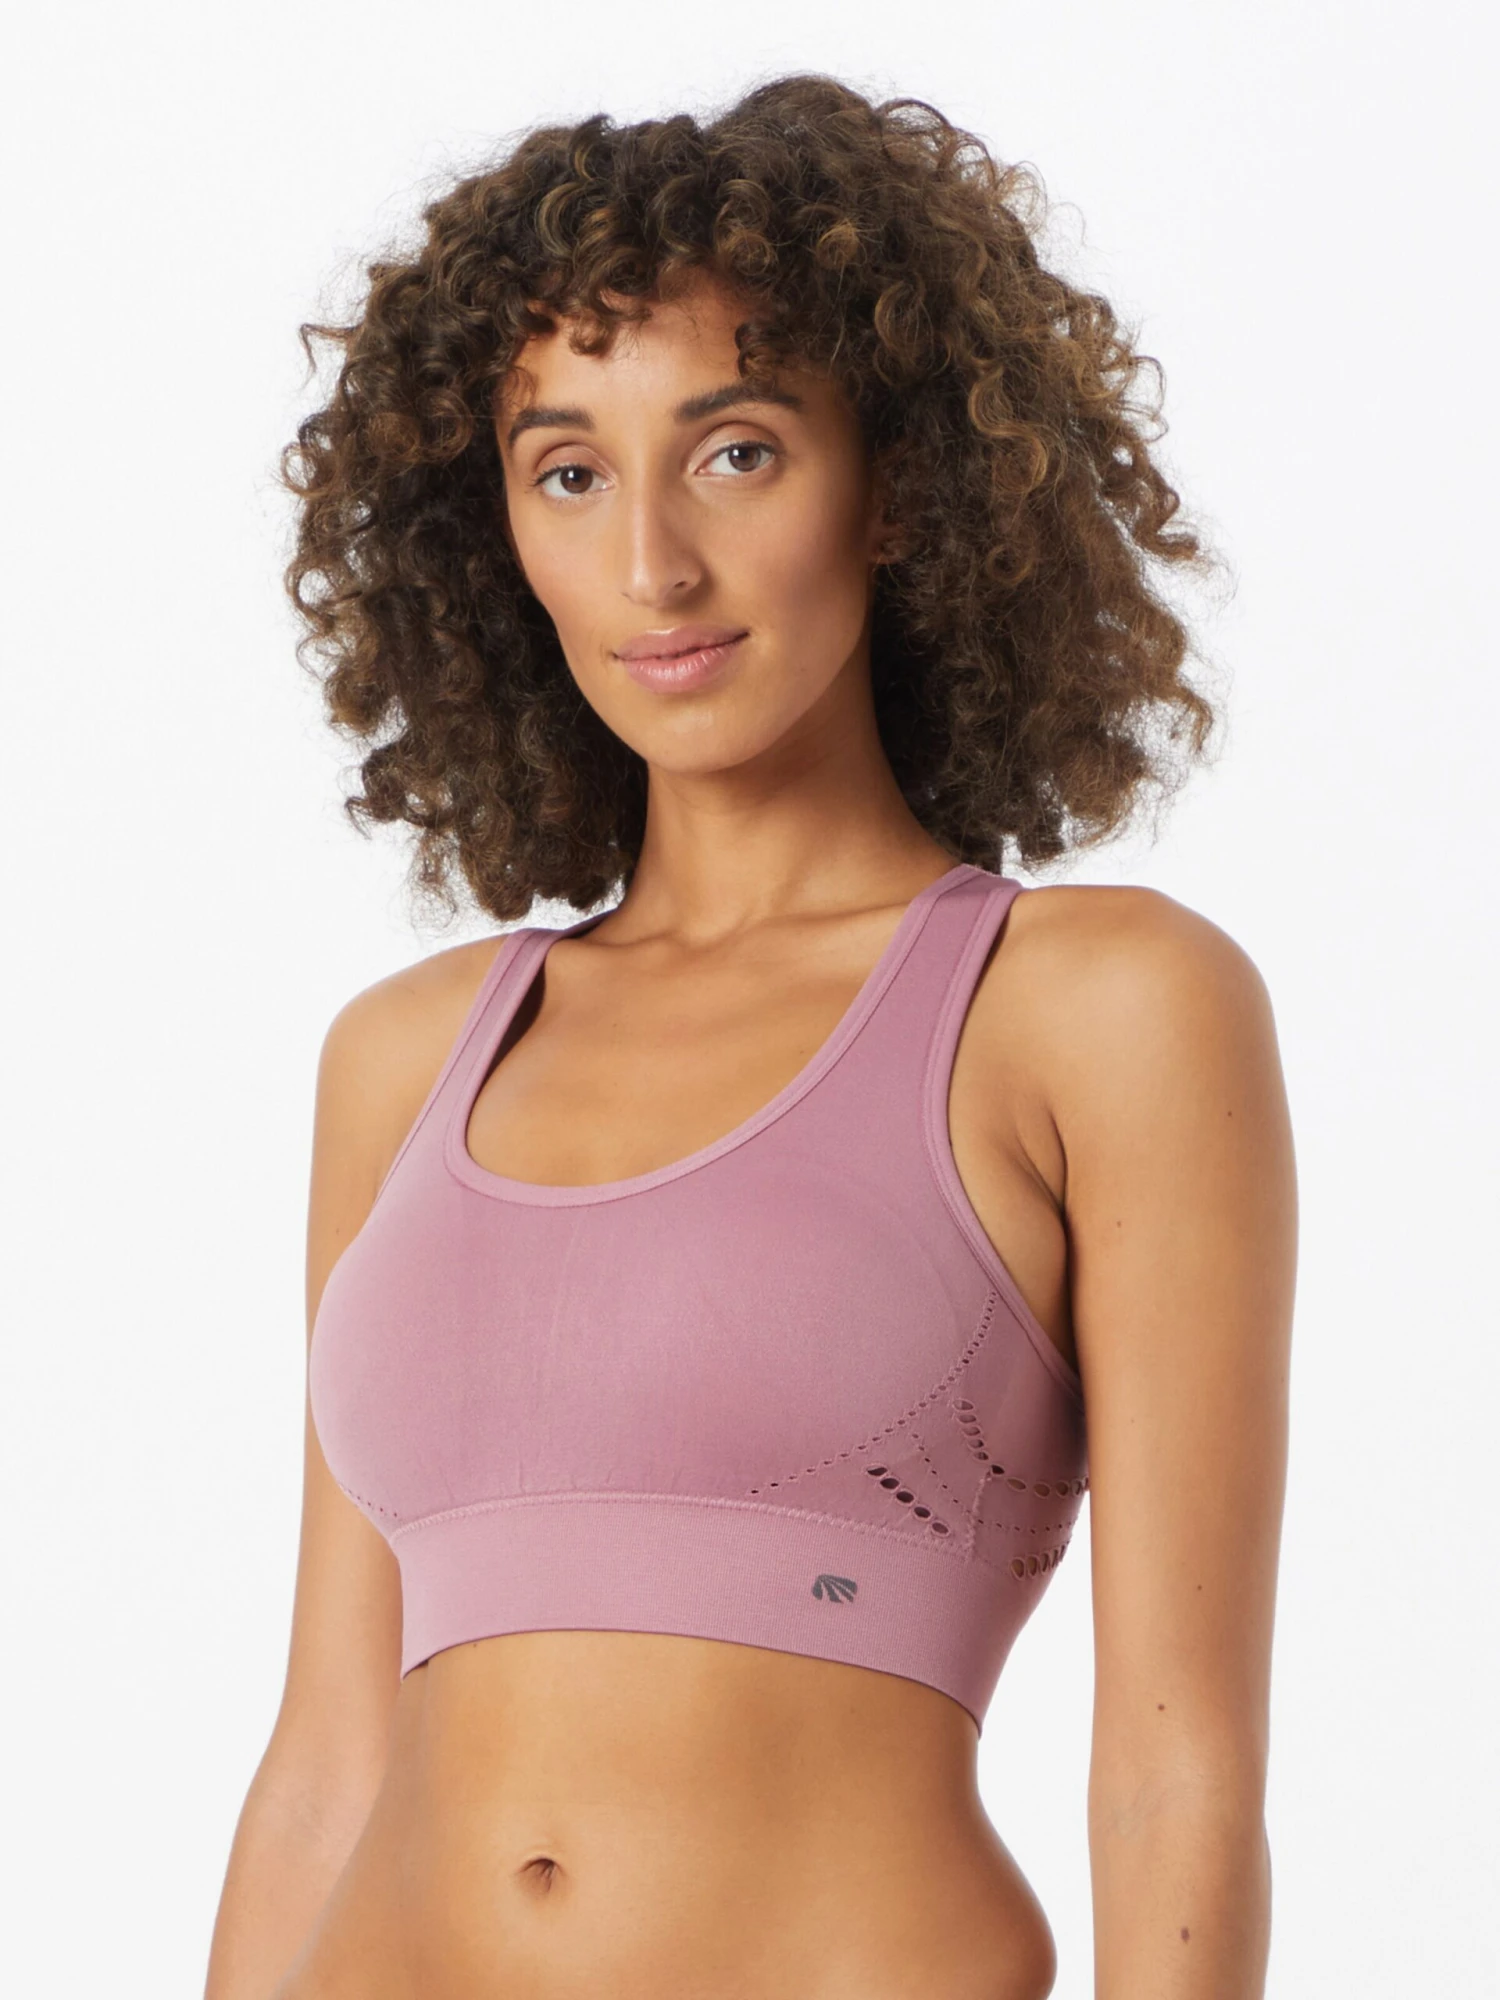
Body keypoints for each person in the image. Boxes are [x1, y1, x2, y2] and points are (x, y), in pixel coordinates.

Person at [205, 74, 1296, 2000]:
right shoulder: (410, 1054)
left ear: (899, 488)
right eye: (567, 473)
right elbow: (323, 1763)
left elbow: (1173, 1773)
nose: (654, 568)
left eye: (734, 452)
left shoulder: (1097, 1007)